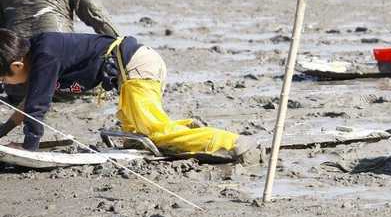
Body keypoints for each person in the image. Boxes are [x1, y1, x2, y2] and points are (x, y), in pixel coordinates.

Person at [0, 29, 258, 163]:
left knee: (156, 134)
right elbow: (31, 101)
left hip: (137, 68)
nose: (5, 84)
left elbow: (37, 106)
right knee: (137, 137)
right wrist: (5, 129)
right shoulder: (37, 51)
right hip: (133, 70)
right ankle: (190, 129)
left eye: (4, 79)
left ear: (17, 66)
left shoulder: (45, 56)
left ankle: (233, 143)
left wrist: (29, 146)